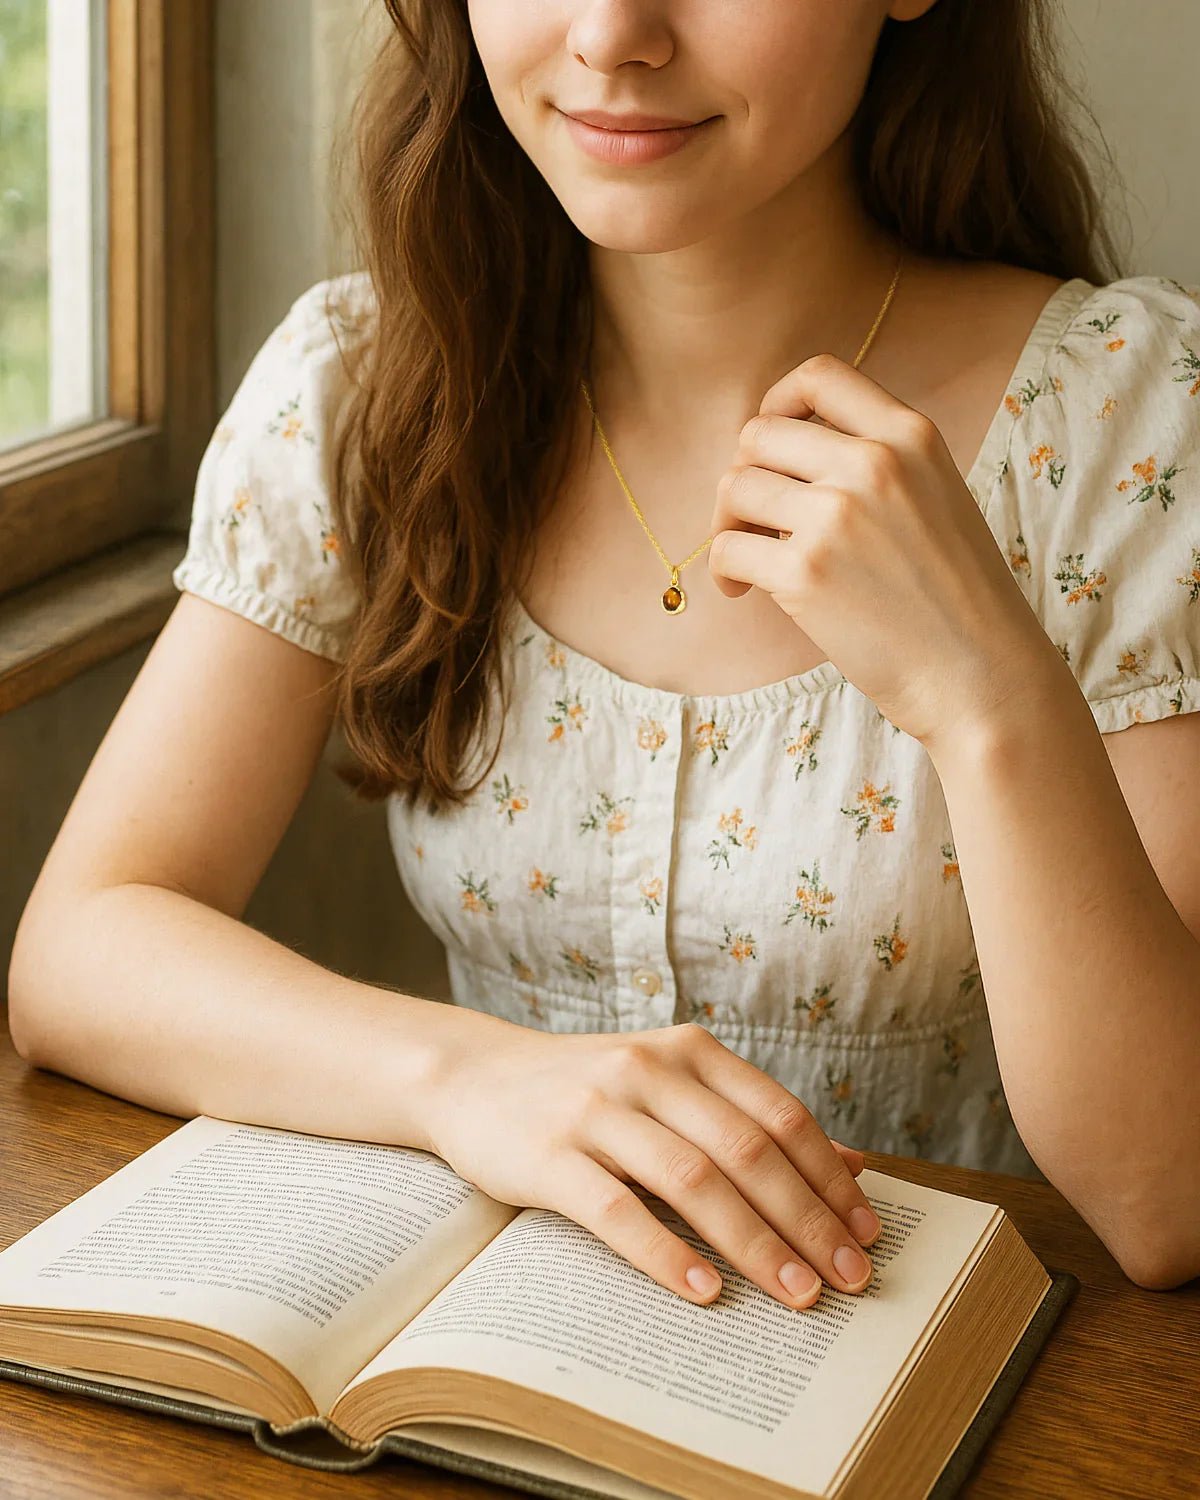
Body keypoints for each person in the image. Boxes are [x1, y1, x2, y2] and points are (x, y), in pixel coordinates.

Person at [9, 0, 1200, 1303]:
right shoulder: (371, 388)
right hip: (506, 1374)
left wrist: (985, 699)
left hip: (969, 1389)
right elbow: (83, 948)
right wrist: (469, 1078)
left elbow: (1168, 1201)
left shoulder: (1118, 421)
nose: (612, 35)